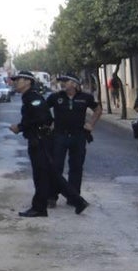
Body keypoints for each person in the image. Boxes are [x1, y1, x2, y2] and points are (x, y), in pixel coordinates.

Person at [8, 70, 89, 217]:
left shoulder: (32, 97)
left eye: (19, 80)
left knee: (42, 175)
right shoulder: (28, 96)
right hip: (39, 139)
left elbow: (43, 117)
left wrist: (20, 127)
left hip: (40, 140)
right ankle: (77, 201)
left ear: (28, 82)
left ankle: (40, 207)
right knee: (51, 175)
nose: (16, 82)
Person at [45, 74, 101, 201]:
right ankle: (52, 197)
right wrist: (49, 122)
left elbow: (97, 109)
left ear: (75, 84)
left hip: (78, 136)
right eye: (62, 81)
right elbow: (43, 108)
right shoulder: (55, 97)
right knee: (56, 167)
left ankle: (73, 197)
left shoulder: (86, 97)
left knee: (76, 167)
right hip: (60, 136)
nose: (63, 83)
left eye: (66, 81)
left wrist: (91, 123)